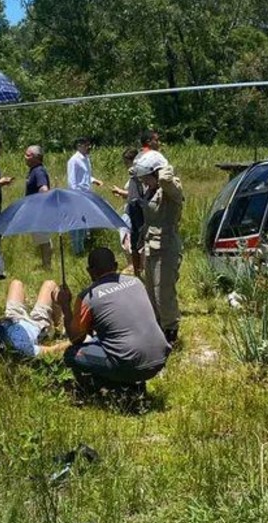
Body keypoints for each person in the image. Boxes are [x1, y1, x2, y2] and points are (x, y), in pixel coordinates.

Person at [57, 247, 171, 391]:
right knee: (104, 341)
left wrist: (65, 306)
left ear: (89, 271)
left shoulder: (88, 297)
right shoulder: (136, 282)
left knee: (71, 354)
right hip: (160, 357)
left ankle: (110, 389)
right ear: (116, 266)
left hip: (129, 363)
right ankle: (130, 382)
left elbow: (76, 339)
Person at [131, 151, 184, 344]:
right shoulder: (150, 189)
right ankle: (157, 329)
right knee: (151, 292)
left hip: (166, 246)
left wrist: (162, 171)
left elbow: (169, 185)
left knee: (164, 292)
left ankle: (171, 332)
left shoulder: (170, 187)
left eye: (147, 177)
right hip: (150, 244)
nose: (145, 182)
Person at [0, 279, 68, 359]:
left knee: (16, 283)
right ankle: (58, 326)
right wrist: (73, 342)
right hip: (37, 325)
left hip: (13, 318)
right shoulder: (22, 347)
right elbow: (52, 350)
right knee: (50, 285)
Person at [65, 137, 104, 256]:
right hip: (78, 196)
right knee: (76, 223)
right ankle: (76, 250)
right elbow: (72, 182)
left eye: (90, 145)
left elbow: (86, 176)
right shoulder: (74, 160)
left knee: (84, 223)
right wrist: (76, 197)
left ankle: (81, 248)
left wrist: (94, 180)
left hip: (87, 195)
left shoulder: (86, 159)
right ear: (80, 146)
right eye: (87, 145)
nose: (89, 147)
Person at [111, 147, 143, 273]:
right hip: (129, 209)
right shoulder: (133, 175)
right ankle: (133, 264)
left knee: (128, 237)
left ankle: (133, 265)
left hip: (132, 212)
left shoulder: (136, 175)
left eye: (126, 162)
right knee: (126, 236)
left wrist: (120, 192)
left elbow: (134, 195)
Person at [24, 145, 53, 269]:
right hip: (36, 211)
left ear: (36, 157)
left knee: (44, 239)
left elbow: (44, 189)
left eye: (28, 155)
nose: (25, 157)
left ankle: (47, 266)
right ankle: (45, 264)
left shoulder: (38, 171)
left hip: (39, 212)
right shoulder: (34, 170)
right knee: (42, 239)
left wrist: (39, 207)